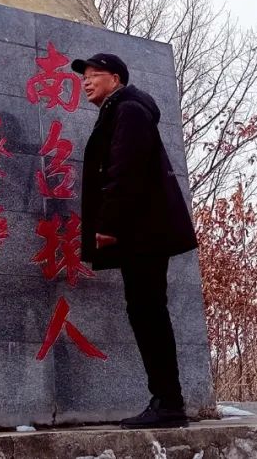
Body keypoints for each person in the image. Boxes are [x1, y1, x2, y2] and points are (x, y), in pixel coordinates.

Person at [70, 52, 199, 429]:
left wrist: (108, 224)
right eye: (83, 78)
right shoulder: (122, 110)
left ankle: (168, 402)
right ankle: (164, 398)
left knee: (148, 312)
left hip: (143, 234)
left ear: (116, 78)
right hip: (143, 232)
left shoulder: (128, 111)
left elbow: (124, 169)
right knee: (146, 311)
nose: (86, 82)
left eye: (94, 75)